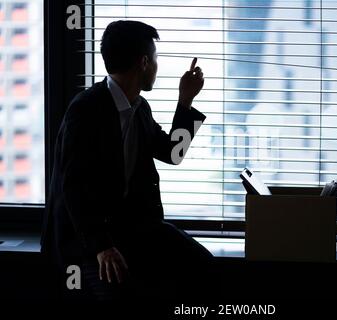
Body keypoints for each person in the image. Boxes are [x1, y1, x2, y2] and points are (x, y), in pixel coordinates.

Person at [41, 20, 213, 301]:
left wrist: (185, 102)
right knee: (121, 294)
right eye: (155, 59)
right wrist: (102, 247)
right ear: (143, 63)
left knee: (204, 267)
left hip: (132, 230)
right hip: (87, 242)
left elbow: (173, 153)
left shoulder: (139, 108)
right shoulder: (86, 109)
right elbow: (73, 188)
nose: (157, 67)